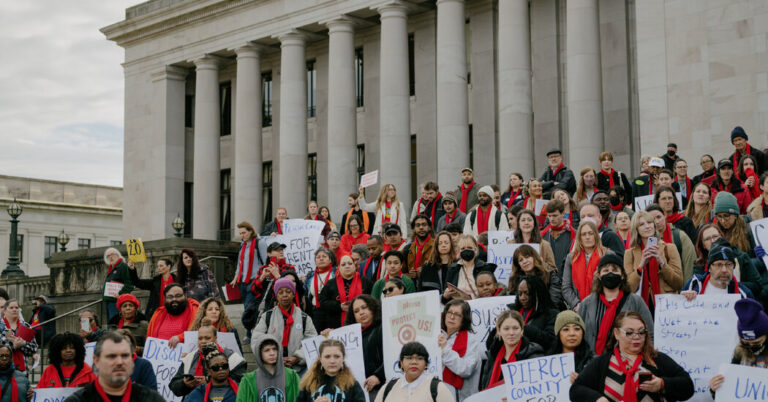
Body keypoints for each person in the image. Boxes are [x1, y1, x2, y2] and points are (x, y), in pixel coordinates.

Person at [570, 311, 694, 402]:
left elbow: (688, 386)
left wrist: (662, 384)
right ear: (616, 333)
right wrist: (597, 399)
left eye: (641, 332)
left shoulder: (657, 359)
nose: (636, 336)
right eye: (629, 332)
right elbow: (576, 389)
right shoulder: (602, 363)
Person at [577, 253, 653, 354]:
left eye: (615, 270)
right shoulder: (586, 304)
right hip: (593, 363)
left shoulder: (636, 302)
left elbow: (650, 334)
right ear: (599, 276)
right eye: (606, 270)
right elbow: (578, 334)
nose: (610, 273)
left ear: (622, 275)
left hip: (628, 362)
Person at [64, 332, 165, 402]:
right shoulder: (78, 400)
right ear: (96, 360)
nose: (119, 362)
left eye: (125, 356)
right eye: (111, 356)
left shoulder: (151, 399)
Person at [252, 278, 318, 372]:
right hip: (272, 368)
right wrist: (272, 357)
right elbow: (256, 340)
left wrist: (298, 357)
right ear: (276, 295)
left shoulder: (304, 318)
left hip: (298, 369)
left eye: (288, 292)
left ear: (293, 294)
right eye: (280, 292)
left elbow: (312, 341)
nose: (285, 295)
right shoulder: (267, 316)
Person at [708, 298, 768, 398]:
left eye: (757, 343)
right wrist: (715, 389)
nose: (751, 347)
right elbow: (730, 391)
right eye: (746, 344)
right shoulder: (739, 352)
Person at [625, 211, 684, 311]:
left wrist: (662, 263)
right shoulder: (629, 254)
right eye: (642, 224)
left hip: (666, 306)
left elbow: (678, 283)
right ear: (636, 229)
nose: (647, 226)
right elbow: (628, 288)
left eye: (649, 222)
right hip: (641, 307)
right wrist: (641, 265)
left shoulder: (669, 248)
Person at [170, 323, 246, 398]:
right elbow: (173, 385)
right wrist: (185, 384)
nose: (203, 341)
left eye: (207, 338)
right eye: (200, 338)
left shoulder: (233, 359)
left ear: (215, 338)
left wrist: (209, 380)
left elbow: (242, 384)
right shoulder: (189, 358)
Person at [691, 224, 765, 301]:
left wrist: (731, 284)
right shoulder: (699, 265)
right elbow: (695, 288)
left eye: (715, 236)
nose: (713, 241)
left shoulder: (741, 257)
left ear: (721, 237)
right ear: (703, 244)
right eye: (707, 239)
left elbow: (757, 285)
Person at [479, 310, 545, 390]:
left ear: (522, 330)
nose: (511, 333)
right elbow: (484, 387)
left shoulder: (534, 355)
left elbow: (538, 390)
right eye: (506, 329)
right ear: (499, 331)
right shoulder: (492, 355)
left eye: (515, 328)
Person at [375, 341, 453, 402]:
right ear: (401, 363)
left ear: (426, 364)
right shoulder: (388, 388)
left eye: (419, 358)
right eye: (409, 358)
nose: (414, 362)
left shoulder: (437, 388)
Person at [438, 299, 481, 402]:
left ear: (464, 319)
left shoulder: (471, 341)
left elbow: (465, 369)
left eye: (457, 314)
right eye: (449, 312)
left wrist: (445, 349)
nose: (452, 317)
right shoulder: (437, 335)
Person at [682, 239, 755, 299]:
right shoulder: (694, 284)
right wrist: (682, 298)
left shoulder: (743, 294)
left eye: (728, 264)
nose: (724, 270)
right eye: (719, 265)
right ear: (710, 268)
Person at [297, 339, 366, 402]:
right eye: (327, 357)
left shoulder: (352, 384)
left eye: (337, 356)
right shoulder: (308, 383)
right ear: (320, 358)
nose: (332, 361)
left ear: (343, 358)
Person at [238, 335, 300, 402]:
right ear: (259, 353)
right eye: (267, 350)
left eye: (274, 349)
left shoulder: (292, 376)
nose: (272, 353)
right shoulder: (248, 380)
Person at [562, 221, 608, 309]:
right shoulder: (571, 258)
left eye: (591, 233)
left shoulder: (607, 255)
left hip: (601, 307)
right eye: (584, 234)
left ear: (596, 235)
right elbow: (566, 287)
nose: (587, 237)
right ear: (579, 238)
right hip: (577, 308)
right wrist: (576, 304)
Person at [344, 295, 385, 394]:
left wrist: (378, 376)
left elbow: (392, 357)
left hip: (381, 387)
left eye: (364, 307)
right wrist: (328, 336)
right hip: (361, 389)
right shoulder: (352, 337)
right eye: (356, 311)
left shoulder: (383, 328)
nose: (361, 313)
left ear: (373, 307)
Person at [645, 203, 696, 283]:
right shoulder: (644, 240)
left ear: (664, 215)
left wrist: (686, 288)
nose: (657, 222)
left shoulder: (679, 236)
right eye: (652, 219)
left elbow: (689, 263)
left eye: (659, 217)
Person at [319, 254, 373, 328]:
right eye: (343, 265)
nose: (347, 266)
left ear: (355, 266)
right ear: (339, 268)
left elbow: (373, 301)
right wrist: (339, 307)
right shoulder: (330, 284)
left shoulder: (365, 281)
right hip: (337, 325)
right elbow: (322, 302)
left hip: (364, 323)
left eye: (350, 264)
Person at [509, 276, 558, 351]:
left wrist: (524, 328)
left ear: (537, 294)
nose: (522, 297)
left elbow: (551, 340)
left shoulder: (551, 314)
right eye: (520, 294)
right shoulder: (511, 313)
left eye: (527, 293)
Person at [146, 283, 200, 348]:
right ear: (165, 299)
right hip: (158, 356)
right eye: (170, 297)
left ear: (185, 296)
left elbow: (199, 332)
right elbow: (149, 337)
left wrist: (180, 338)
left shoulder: (195, 310)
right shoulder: (158, 313)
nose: (174, 299)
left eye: (178, 296)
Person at [230, 221, 266, 317]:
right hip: (243, 283)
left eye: (244, 233)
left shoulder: (260, 243)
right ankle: (251, 330)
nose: (242, 235)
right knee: (248, 309)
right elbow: (239, 263)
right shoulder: (243, 245)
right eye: (240, 233)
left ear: (251, 231)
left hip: (255, 281)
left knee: (248, 310)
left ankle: (250, 332)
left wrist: (262, 278)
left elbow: (266, 262)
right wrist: (235, 279)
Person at [444, 235, 496, 301]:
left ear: (475, 249)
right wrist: (445, 296)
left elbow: (494, 290)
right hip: (459, 307)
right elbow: (446, 294)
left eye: (469, 247)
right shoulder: (452, 269)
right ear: (458, 251)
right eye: (463, 248)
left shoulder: (485, 267)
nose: (466, 250)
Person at [549, 311, 595, 383]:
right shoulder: (548, 363)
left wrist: (582, 383)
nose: (572, 333)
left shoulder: (594, 362)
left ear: (582, 333)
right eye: (566, 329)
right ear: (558, 334)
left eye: (577, 329)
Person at [713, 191, 757, 256]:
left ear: (735, 215)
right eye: (719, 216)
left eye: (726, 215)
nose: (722, 220)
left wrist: (741, 262)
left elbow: (760, 262)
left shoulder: (749, 230)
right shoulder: (715, 231)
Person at [0, 299, 37, 373]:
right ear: (5, 311)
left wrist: (23, 344)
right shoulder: (1, 327)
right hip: (3, 371)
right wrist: (13, 347)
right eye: (11, 308)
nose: (14, 310)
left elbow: (34, 348)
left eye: (16, 308)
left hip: (23, 371)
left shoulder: (26, 326)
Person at [102, 247, 134, 322]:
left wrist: (120, 294)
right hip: (110, 301)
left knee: (115, 324)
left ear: (118, 255)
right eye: (108, 256)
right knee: (112, 324)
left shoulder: (122, 266)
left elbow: (129, 284)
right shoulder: (112, 268)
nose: (110, 257)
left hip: (117, 301)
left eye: (112, 254)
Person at [306, 248, 336, 325]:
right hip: (316, 311)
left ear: (330, 260)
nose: (321, 259)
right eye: (318, 257)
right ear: (315, 261)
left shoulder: (336, 273)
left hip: (332, 310)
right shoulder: (310, 276)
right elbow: (307, 294)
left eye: (324, 256)